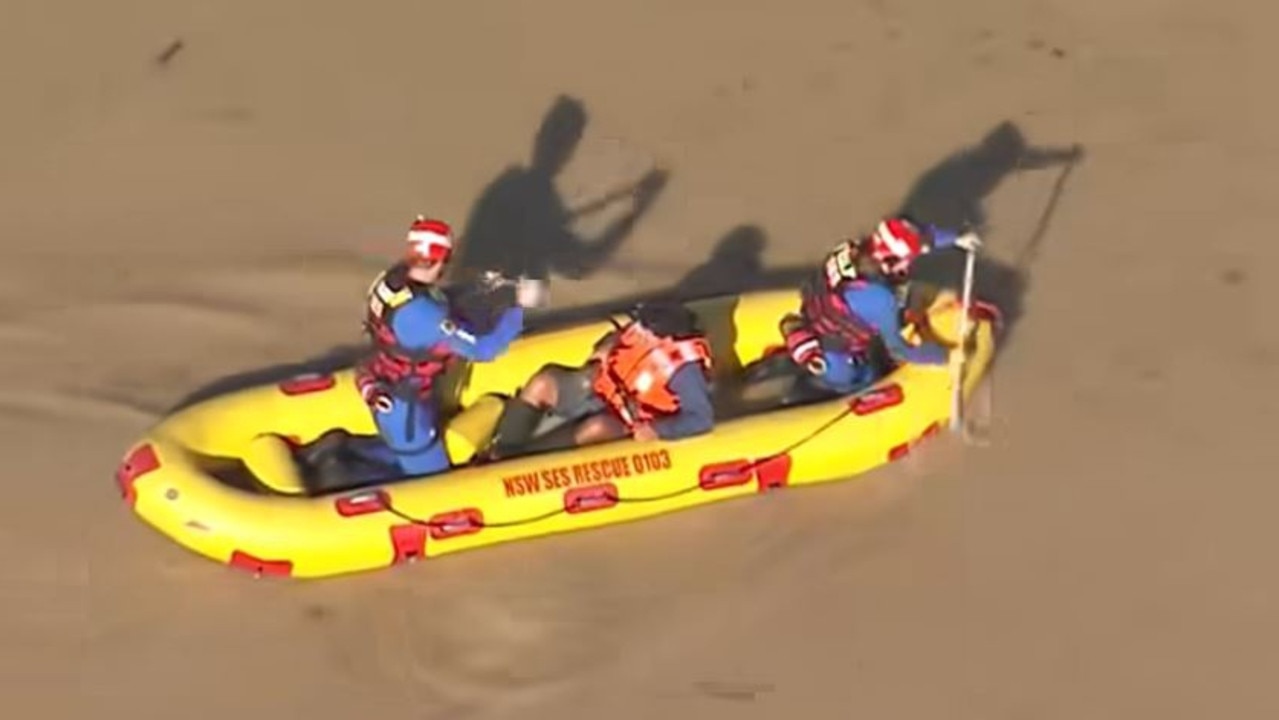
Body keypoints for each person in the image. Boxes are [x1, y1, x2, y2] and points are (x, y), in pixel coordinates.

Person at [347, 215, 546, 479]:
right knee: (435, 477)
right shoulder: (423, 314)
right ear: (441, 260)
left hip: (390, 383)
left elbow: (442, 299)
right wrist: (519, 308)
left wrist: (489, 286)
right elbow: (483, 349)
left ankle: (358, 455)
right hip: (409, 415)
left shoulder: (393, 281)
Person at [481, 301, 715, 460]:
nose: (638, 329)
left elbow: (701, 418)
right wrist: (605, 346)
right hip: (601, 384)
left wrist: (657, 429)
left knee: (596, 428)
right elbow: (618, 335)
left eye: (645, 328)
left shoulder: (684, 370)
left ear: (663, 336)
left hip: (630, 417)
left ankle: (522, 462)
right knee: (544, 382)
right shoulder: (645, 329)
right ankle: (502, 448)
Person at [780, 215, 983, 396]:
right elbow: (899, 350)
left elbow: (923, 239)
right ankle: (834, 392)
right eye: (907, 260)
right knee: (861, 379)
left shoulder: (853, 249)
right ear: (891, 261)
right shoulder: (880, 299)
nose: (910, 265)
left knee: (895, 309)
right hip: (836, 351)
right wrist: (945, 356)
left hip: (823, 311)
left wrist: (956, 237)